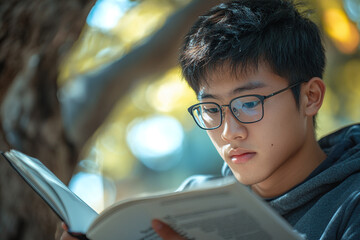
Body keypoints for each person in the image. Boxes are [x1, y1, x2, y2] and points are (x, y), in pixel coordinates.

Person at [61, 0, 360, 239]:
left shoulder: (351, 204)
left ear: (310, 97)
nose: (230, 132)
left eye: (248, 103)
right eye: (212, 109)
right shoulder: (190, 204)